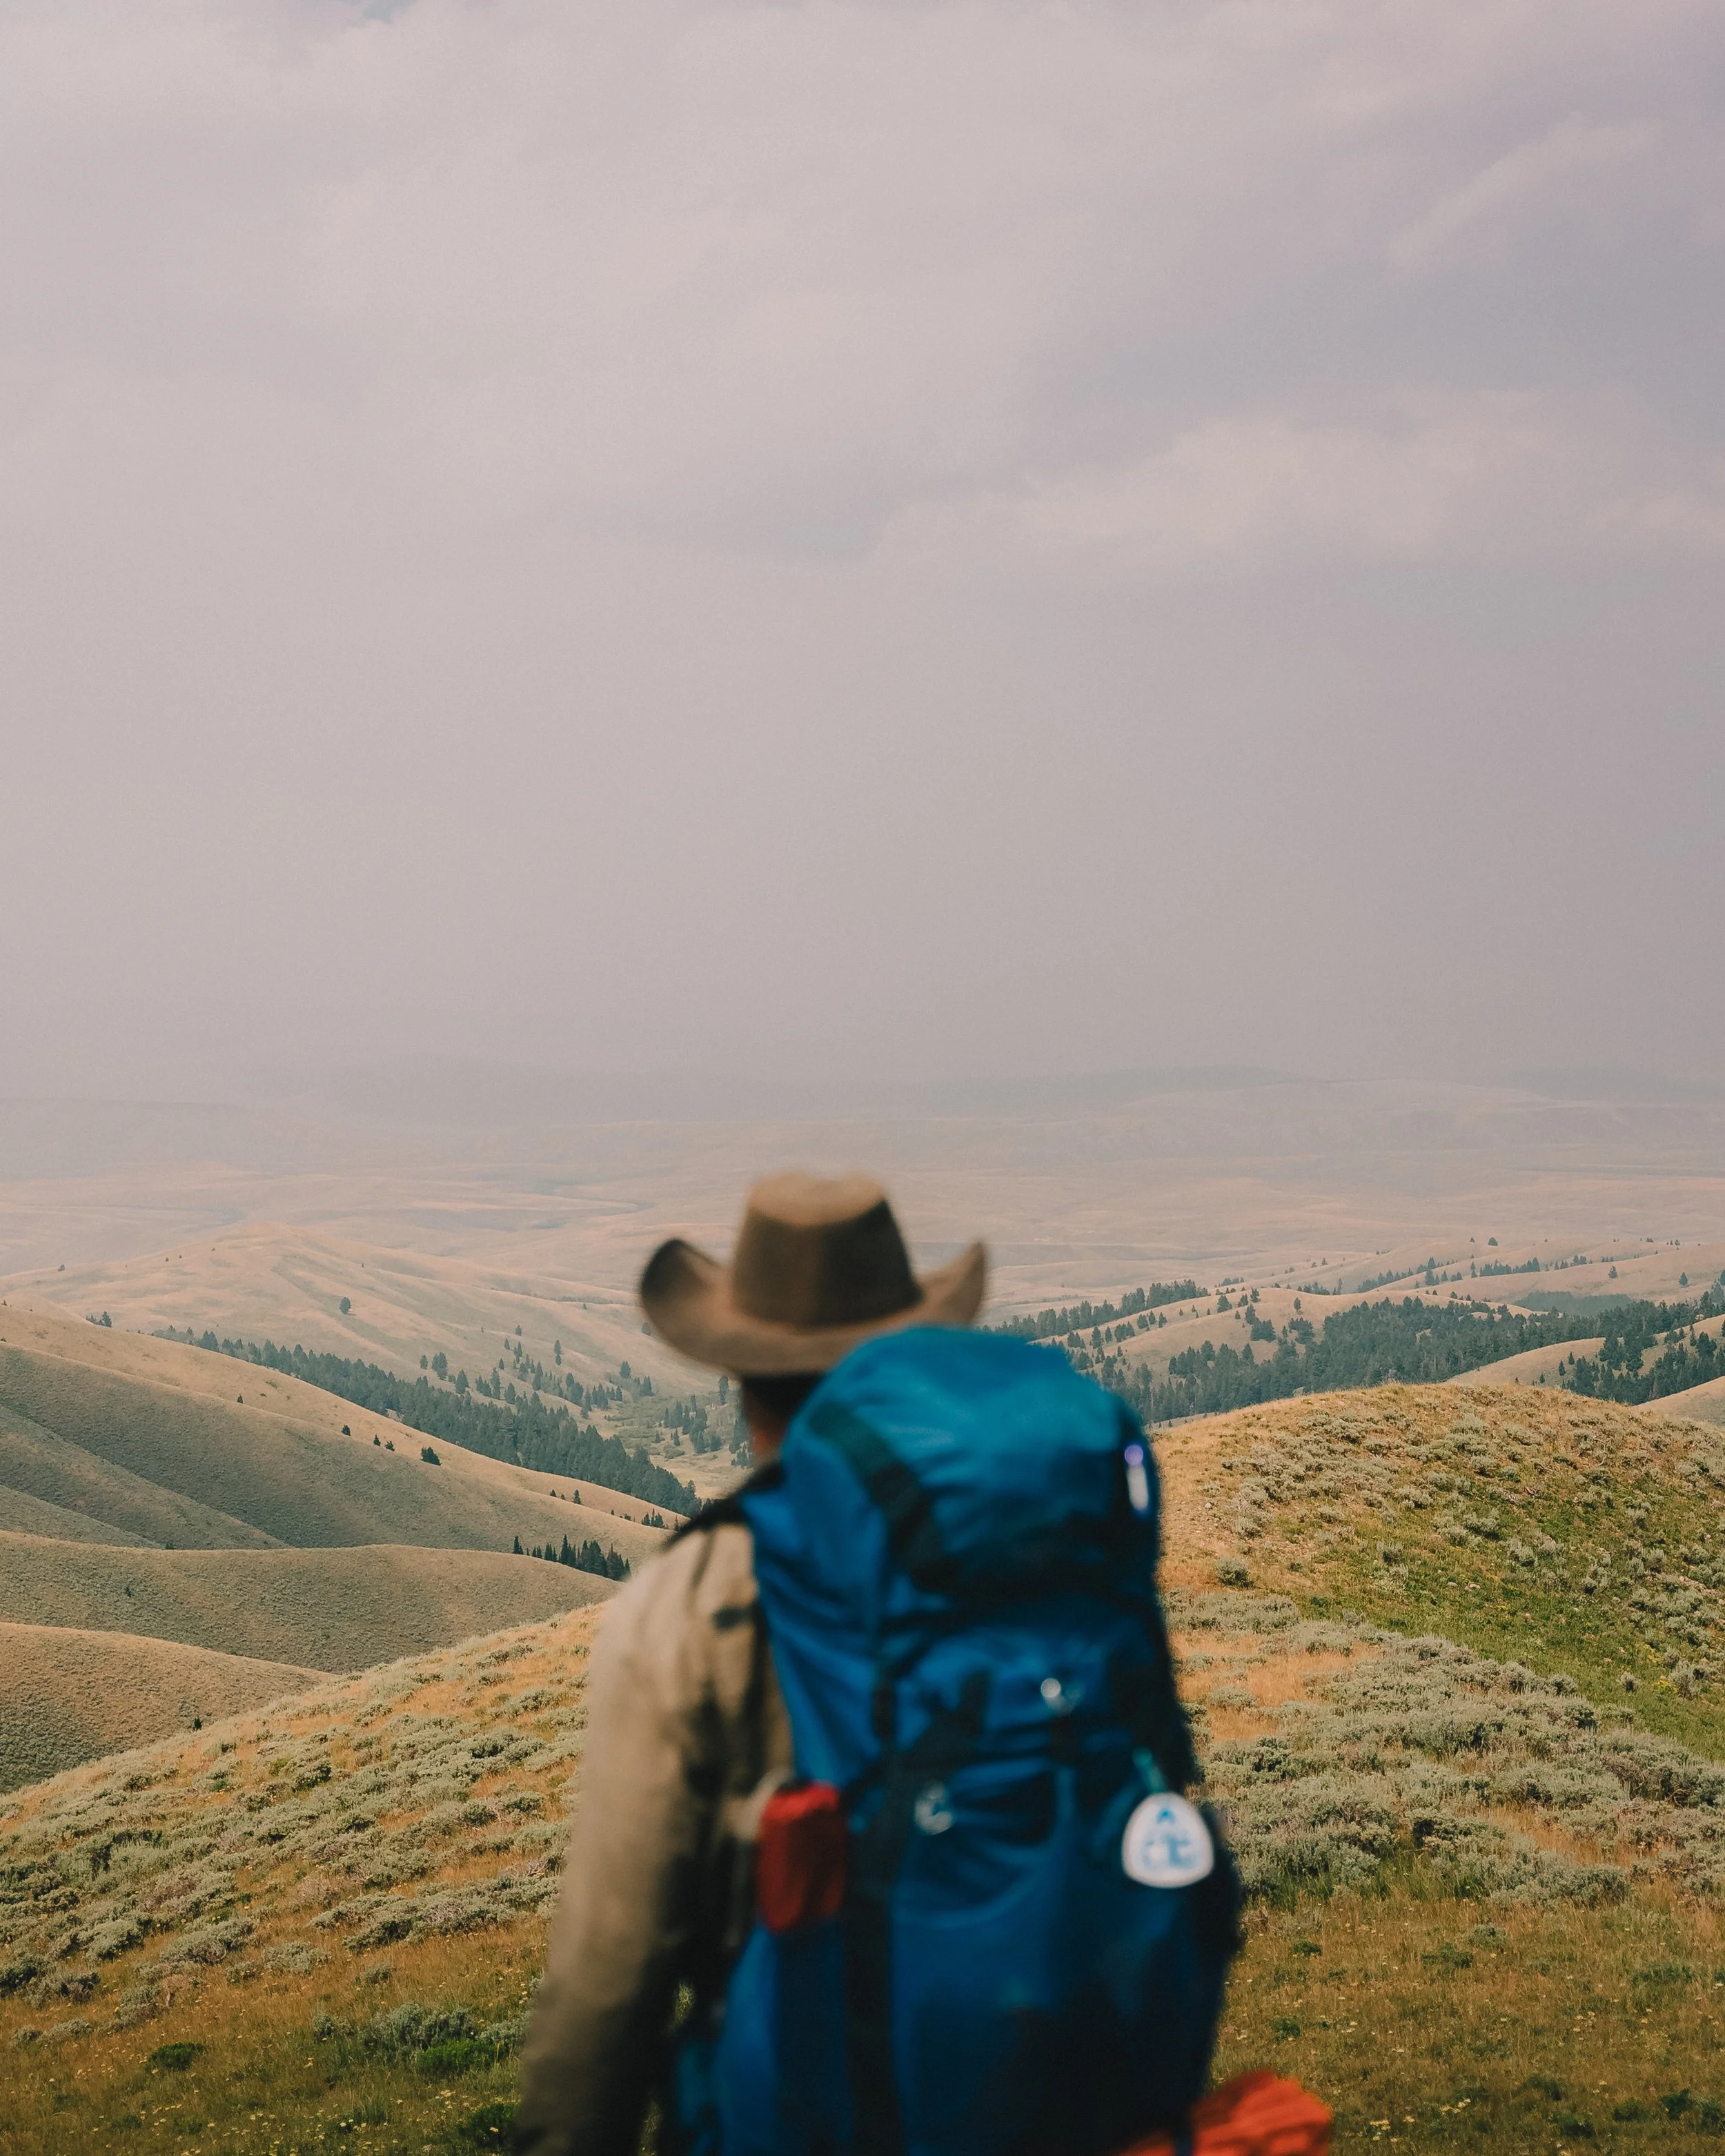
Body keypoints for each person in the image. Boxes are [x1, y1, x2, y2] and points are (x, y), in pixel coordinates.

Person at [514, 1171, 1233, 2156]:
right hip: (1069, 2102)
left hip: (816, 2105)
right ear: (907, 1345)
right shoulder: (1041, 1558)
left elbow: (610, 1975)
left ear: (741, 1375)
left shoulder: (696, 1601)